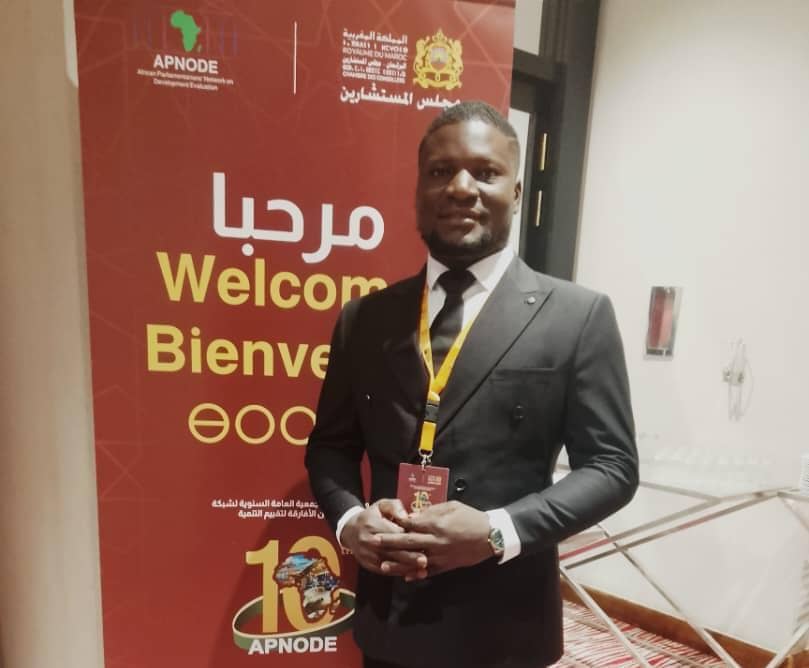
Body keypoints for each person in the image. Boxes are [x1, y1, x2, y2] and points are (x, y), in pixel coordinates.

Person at [305, 100, 638, 668]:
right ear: (418, 190)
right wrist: (351, 521)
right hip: (390, 621)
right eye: (440, 171)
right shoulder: (365, 319)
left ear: (517, 191)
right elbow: (330, 448)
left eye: (485, 172)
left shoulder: (577, 316)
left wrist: (495, 530)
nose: (461, 188)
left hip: (505, 625)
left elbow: (612, 466)